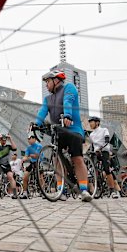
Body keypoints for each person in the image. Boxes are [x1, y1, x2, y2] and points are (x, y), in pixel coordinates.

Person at [36, 69, 92, 202]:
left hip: (73, 129)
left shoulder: (69, 87)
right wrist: (36, 123)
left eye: (48, 81)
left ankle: (84, 189)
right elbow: (42, 112)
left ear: (56, 80)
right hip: (58, 131)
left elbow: (68, 101)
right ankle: (60, 190)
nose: (46, 85)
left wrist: (67, 115)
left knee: (77, 158)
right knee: (56, 160)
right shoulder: (47, 98)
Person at [88, 116, 119, 199]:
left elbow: (107, 141)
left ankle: (112, 191)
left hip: (104, 151)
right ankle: (92, 190)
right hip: (95, 153)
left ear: (97, 123)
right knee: (90, 170)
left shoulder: (104, 130)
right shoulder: (91, 134)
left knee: (106, 169)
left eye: (92, 122)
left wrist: (101, 148)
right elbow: (91, 146)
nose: (90, 124)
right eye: (89, 122)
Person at [0, 133, 18, 198]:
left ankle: (14, 193)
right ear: (0, 140)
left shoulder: (8, 146)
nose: (3, 141)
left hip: (6, 164)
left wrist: (10, 139)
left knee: (10, 176)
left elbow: (15, 148)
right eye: (2, 140)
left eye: (5, 140)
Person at [19, 134, 43, 199]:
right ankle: (25, 193)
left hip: (39, 162)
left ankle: (43, 192)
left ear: (34, 139)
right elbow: (26, 156)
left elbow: (36, 155)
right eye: (28, 139)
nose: (28, 140)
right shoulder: (28, 148)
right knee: (25, 176)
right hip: (32, 162)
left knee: (40, 177)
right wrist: (22, 161)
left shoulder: (39, 145)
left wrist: (28, 156)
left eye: (30, 138)